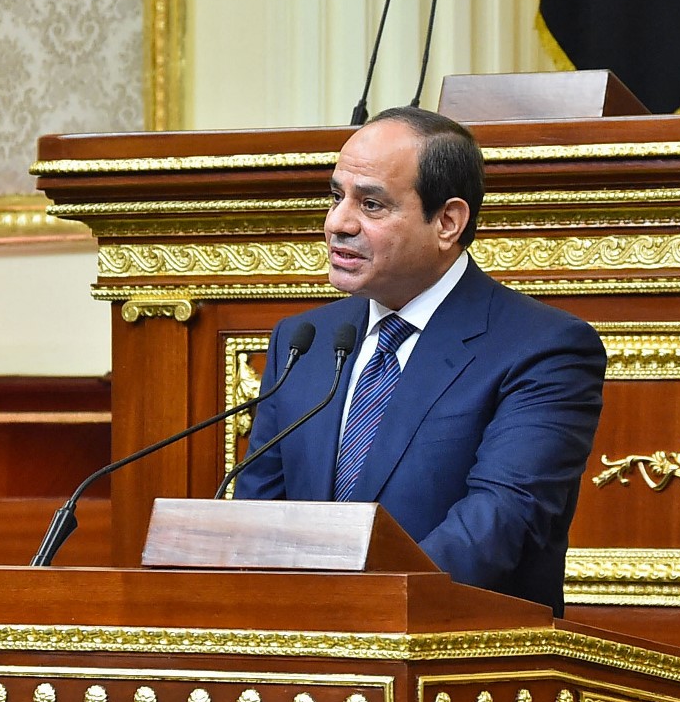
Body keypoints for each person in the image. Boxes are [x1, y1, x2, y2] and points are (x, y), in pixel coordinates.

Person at [234, 106, 606, 617]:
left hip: (458, 662)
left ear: (448, 222)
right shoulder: (305, 340)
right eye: (336, 197)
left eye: (371, 204)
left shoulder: (544, 348)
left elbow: (494, 526)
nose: (338, 223)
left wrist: (352, 612)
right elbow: (258, 519)